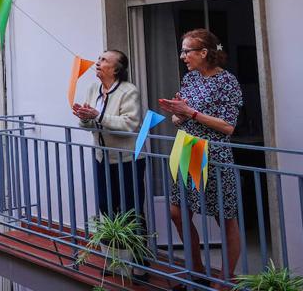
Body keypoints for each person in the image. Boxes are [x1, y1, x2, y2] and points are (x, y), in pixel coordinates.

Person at [159, 29, 243, 289]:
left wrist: (191, 112)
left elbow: (228, 126)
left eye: (187, 51)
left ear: (204, 53)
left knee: (224, 216)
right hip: (187, 148)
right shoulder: (190, 79)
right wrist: (177, 113)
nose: (183, 56)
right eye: (183, 50)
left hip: (214, 153)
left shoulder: (227, 81)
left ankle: (226, 279)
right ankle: (195, 268)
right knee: (177, 212)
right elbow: (180, 118)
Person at [73, 50, 148, 278]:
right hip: (102, 157)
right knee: (106, 208)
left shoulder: (129, 91)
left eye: (104, 60)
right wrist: (85, 117)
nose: (98, 63)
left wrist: (97, 115)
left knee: (131, 210)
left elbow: (129, 125)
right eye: (99, 59)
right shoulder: (93, 89)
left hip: (126, 160)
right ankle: (115, 261)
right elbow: (87, 126)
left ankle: (139, 262)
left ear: (116, 69)